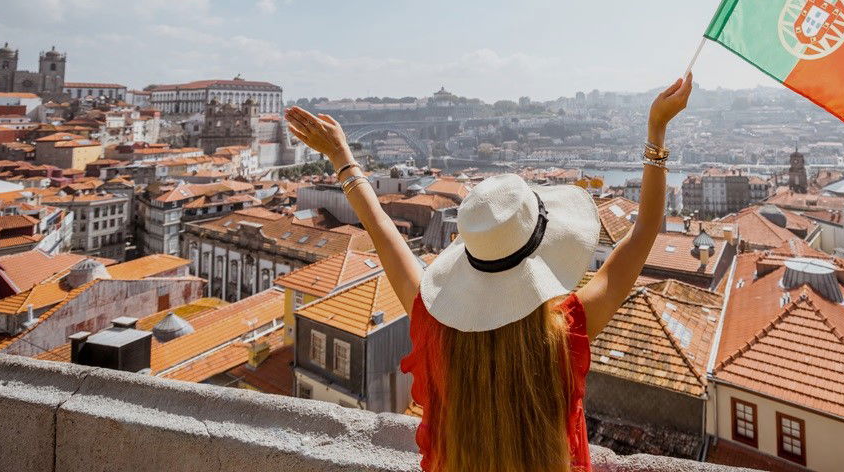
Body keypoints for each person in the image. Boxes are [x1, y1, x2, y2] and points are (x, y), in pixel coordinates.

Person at [284, 73, 692, 472]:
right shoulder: (563, 338)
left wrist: (343, 159)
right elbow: (642, 233)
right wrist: (656, 131)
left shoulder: (435, 328)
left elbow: (381, 231)